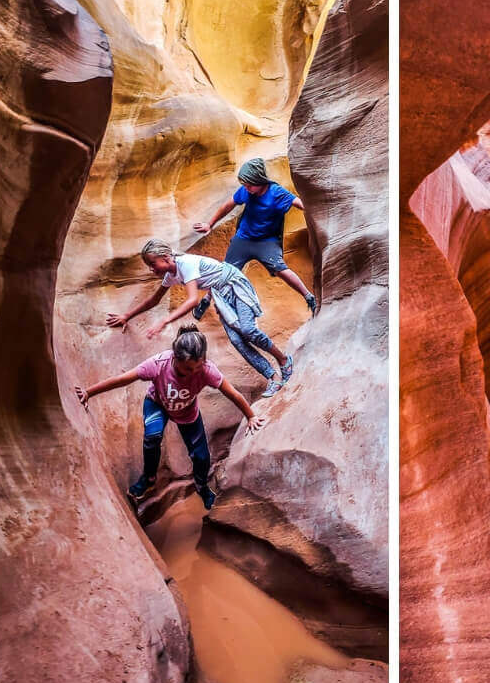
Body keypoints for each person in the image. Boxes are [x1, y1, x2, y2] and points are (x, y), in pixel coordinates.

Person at [75, 325, 264, 509]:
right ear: (175, 358)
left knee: (201, 456)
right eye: (188, 369)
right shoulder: (158, 365)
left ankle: (201, 486)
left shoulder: (206, 369)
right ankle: (148, 478)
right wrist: (88, 392)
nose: (194, 373)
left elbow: (232, 393)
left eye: (198, 367)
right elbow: (123, 379)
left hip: (187, 412)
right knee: (152, 436)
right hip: (157, 404)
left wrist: (251, 417)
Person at [106, 239, 291, 398]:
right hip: (220, 294)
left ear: (165, 258)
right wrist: (126, 316)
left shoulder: (185, 264)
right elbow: (154, 299)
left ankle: (283, 361)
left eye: (153, 264)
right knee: (237, 340)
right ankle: (272, 377)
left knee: (248, 330)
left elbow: (193, 300)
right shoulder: (171, 275)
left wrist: (165, 321)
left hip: (234, 284)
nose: (151, 269)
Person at [193, 157, 317, 319]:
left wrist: (315, 213)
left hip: (267, 242)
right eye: (245, 184)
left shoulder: (276, 192)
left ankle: (309, 297)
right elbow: (227, 205)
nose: (246, 188)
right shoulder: (246, 190)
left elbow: (298, 202)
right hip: (243, 239)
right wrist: (210, 224)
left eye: (249, 184)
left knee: (280, 268)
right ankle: (206, 299)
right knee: (225, 271)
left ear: (259, 180)